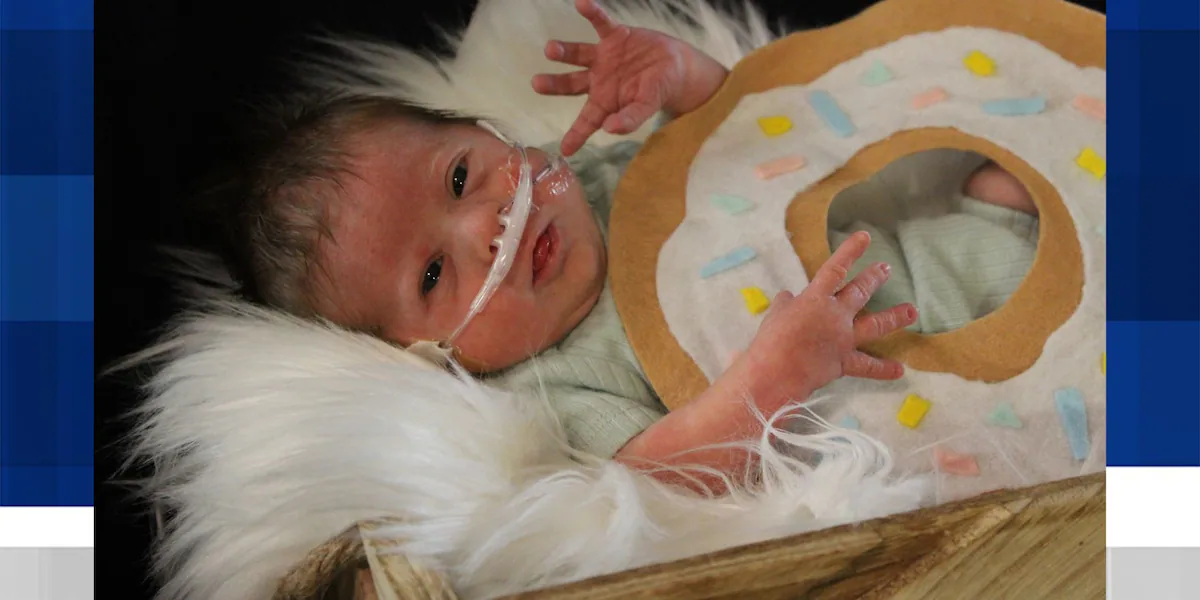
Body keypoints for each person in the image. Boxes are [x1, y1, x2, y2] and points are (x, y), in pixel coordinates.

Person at [207, 0, 1037, 492]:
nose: (485, 229)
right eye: (432, 273)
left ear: (489, 131)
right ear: (424, 352)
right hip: (905, 405)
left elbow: (747, 140)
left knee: (1024, 174)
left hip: (933, 264)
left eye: (460, 176)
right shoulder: (560, 375)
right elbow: (657, 475)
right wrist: (772, 379)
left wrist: (683, 78)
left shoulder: (610, 179)